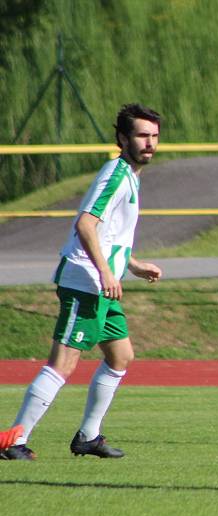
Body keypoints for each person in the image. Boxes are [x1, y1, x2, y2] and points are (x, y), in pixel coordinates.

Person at [0, 104, 163, 460]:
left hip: (102, 283)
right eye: (141, 135)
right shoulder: (117, 175)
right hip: (85, 281)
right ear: (123, 138)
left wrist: (131, 265)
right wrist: (106, 271)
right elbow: (85, 225)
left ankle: (88, 437)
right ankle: (14, 440)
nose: (149, 143)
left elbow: (107, 234)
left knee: (121, 356)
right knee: (63, 363)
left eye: (154, 136)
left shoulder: (130, 175)